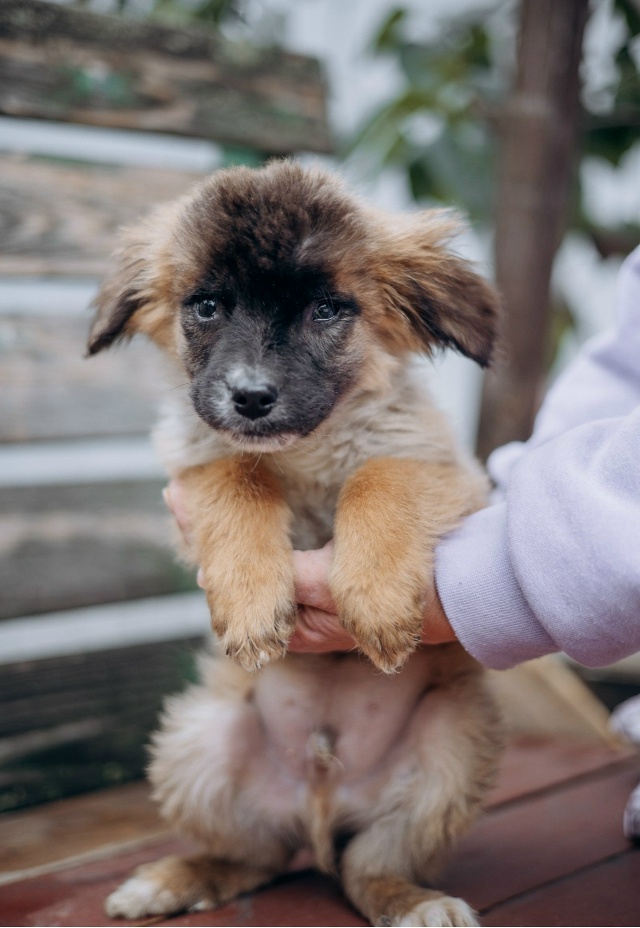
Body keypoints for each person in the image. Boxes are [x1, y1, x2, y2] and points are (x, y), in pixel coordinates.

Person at [166, 244, 640, 836]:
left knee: (445, 756)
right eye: (207, 307)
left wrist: (460, 573)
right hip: (269, 713)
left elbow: (445, 481)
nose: (252, 376)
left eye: (325, 311)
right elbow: (619, 379)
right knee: (207, 750)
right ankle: (221, 863)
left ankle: (385, 879)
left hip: (408, 708)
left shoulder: (399, 412)